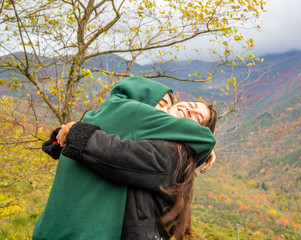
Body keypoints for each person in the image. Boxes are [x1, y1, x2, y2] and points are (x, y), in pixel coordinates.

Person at [33, 77, 216, 239]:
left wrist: (75, 132)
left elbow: (117, 153)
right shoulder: (144, 134)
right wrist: (64, 135)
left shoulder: (176, 154)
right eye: (189, 105)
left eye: (197, 118)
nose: (188, 112)